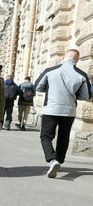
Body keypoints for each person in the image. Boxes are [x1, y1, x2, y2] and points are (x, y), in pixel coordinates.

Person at [34, 49, 91, 178]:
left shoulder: (50, 70)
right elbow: (86, 95)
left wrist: (50, 89)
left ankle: (52, 160)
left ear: (64, 56)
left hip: (51, 109)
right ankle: (59, 161)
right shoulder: (81, 74)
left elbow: (37, 86)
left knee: (46, 136)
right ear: (77, 59)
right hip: (69, 110)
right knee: (63, 137)